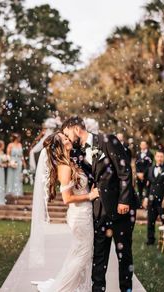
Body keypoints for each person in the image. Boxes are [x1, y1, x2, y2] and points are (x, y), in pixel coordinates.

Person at [62, 116, 135, 292]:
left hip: (120, 210)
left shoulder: (107, 140)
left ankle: (126, 290)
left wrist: (124, 200)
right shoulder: (77, 152)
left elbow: (124, 171)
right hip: (98, 210)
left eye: (67, 134)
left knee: (123, 255)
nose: (68, 138)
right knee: (99, 256)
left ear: (76, 129)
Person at [33, 132, 99, 291]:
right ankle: (62, 288)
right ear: (59, 147)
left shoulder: (71, 162)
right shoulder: (64, 167)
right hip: (79, 215)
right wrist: (90, 195)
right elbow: (67, 198)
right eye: (64, 139)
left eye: (66, 137)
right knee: (84, 253)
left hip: (84, 213)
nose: (68, 140)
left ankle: (78, 286)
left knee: (79, 252)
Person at [142, 149, 164, 245]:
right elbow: (148, 185)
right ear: (155, 157)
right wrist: (145, 197)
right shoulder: (150, 169)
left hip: (163, 200)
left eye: (161, 156)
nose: (160, 158)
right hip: (152, 199)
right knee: (150, 221)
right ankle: (150, 239)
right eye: (158, 156)